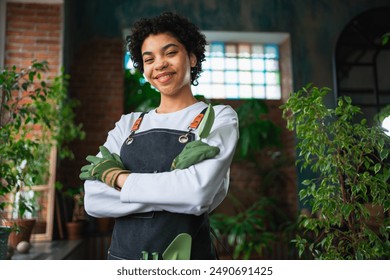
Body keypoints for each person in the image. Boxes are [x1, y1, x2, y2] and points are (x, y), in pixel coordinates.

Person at [80, 12, 239, 260]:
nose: (160, 64)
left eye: (170, 52)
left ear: (193, 57)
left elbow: (197, 194)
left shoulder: (217, 118)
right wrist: (175, 191)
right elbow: (94, 200)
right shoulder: (128, 124)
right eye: (149, 58)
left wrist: (118, 177)